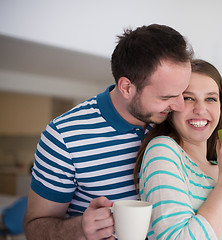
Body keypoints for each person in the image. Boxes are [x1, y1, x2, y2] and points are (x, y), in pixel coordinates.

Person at [24, 24, 194, 240]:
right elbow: (34, 228)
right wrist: (80, 229)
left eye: (183, 93)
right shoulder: (63, 136)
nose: (179, 105)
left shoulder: (174, 122)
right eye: (166, 97)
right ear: (126, 87)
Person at [135, 59, 222, 239]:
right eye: (189, 98)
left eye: (211, 99)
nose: (200, 109)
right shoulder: (162, 150)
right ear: (172, 106)